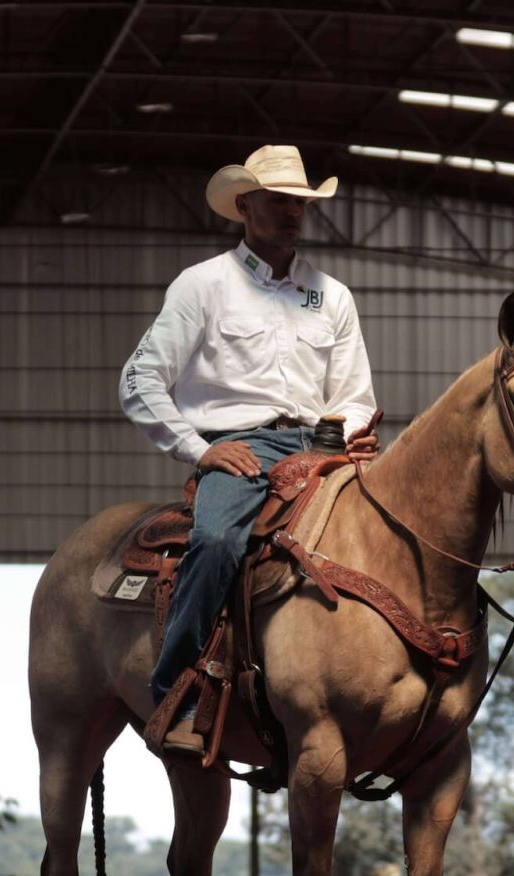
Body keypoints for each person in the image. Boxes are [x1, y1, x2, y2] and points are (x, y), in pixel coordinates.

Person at [119, 145, 379, 755]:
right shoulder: (204, 285)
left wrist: (351, 429)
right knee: (215, 540)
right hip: (238, 446)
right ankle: (177, 690)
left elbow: (355, 394)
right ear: (244, 205)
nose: (292, 213)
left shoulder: (331, 296)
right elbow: (139, 378)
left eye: (300, 203)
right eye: (279, 201)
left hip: (321, 445)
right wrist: (196, 449)